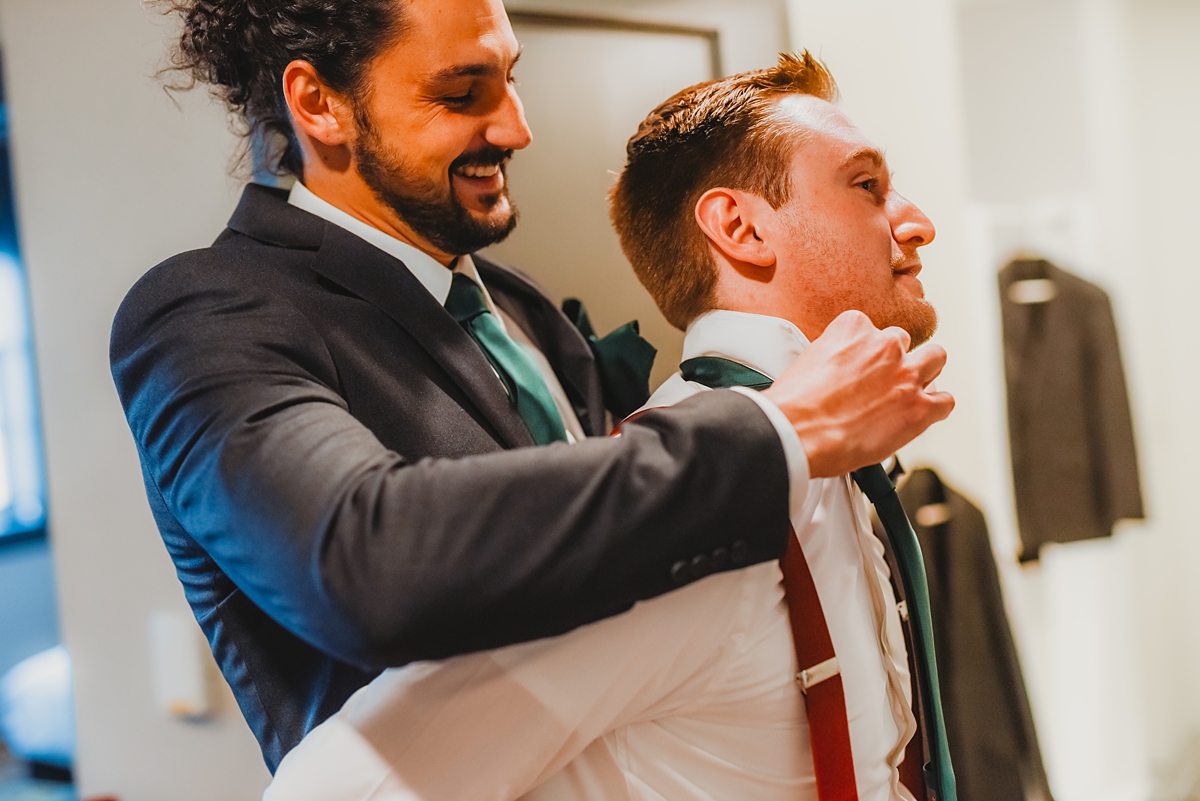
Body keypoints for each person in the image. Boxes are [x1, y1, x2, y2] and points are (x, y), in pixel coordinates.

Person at [110, 0, 952, 776]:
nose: (516, 127)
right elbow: (363, 559)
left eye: (509, 80)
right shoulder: (208, 312)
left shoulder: (519, 308)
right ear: (321, 103)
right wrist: (777, 434)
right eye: (463, 93)